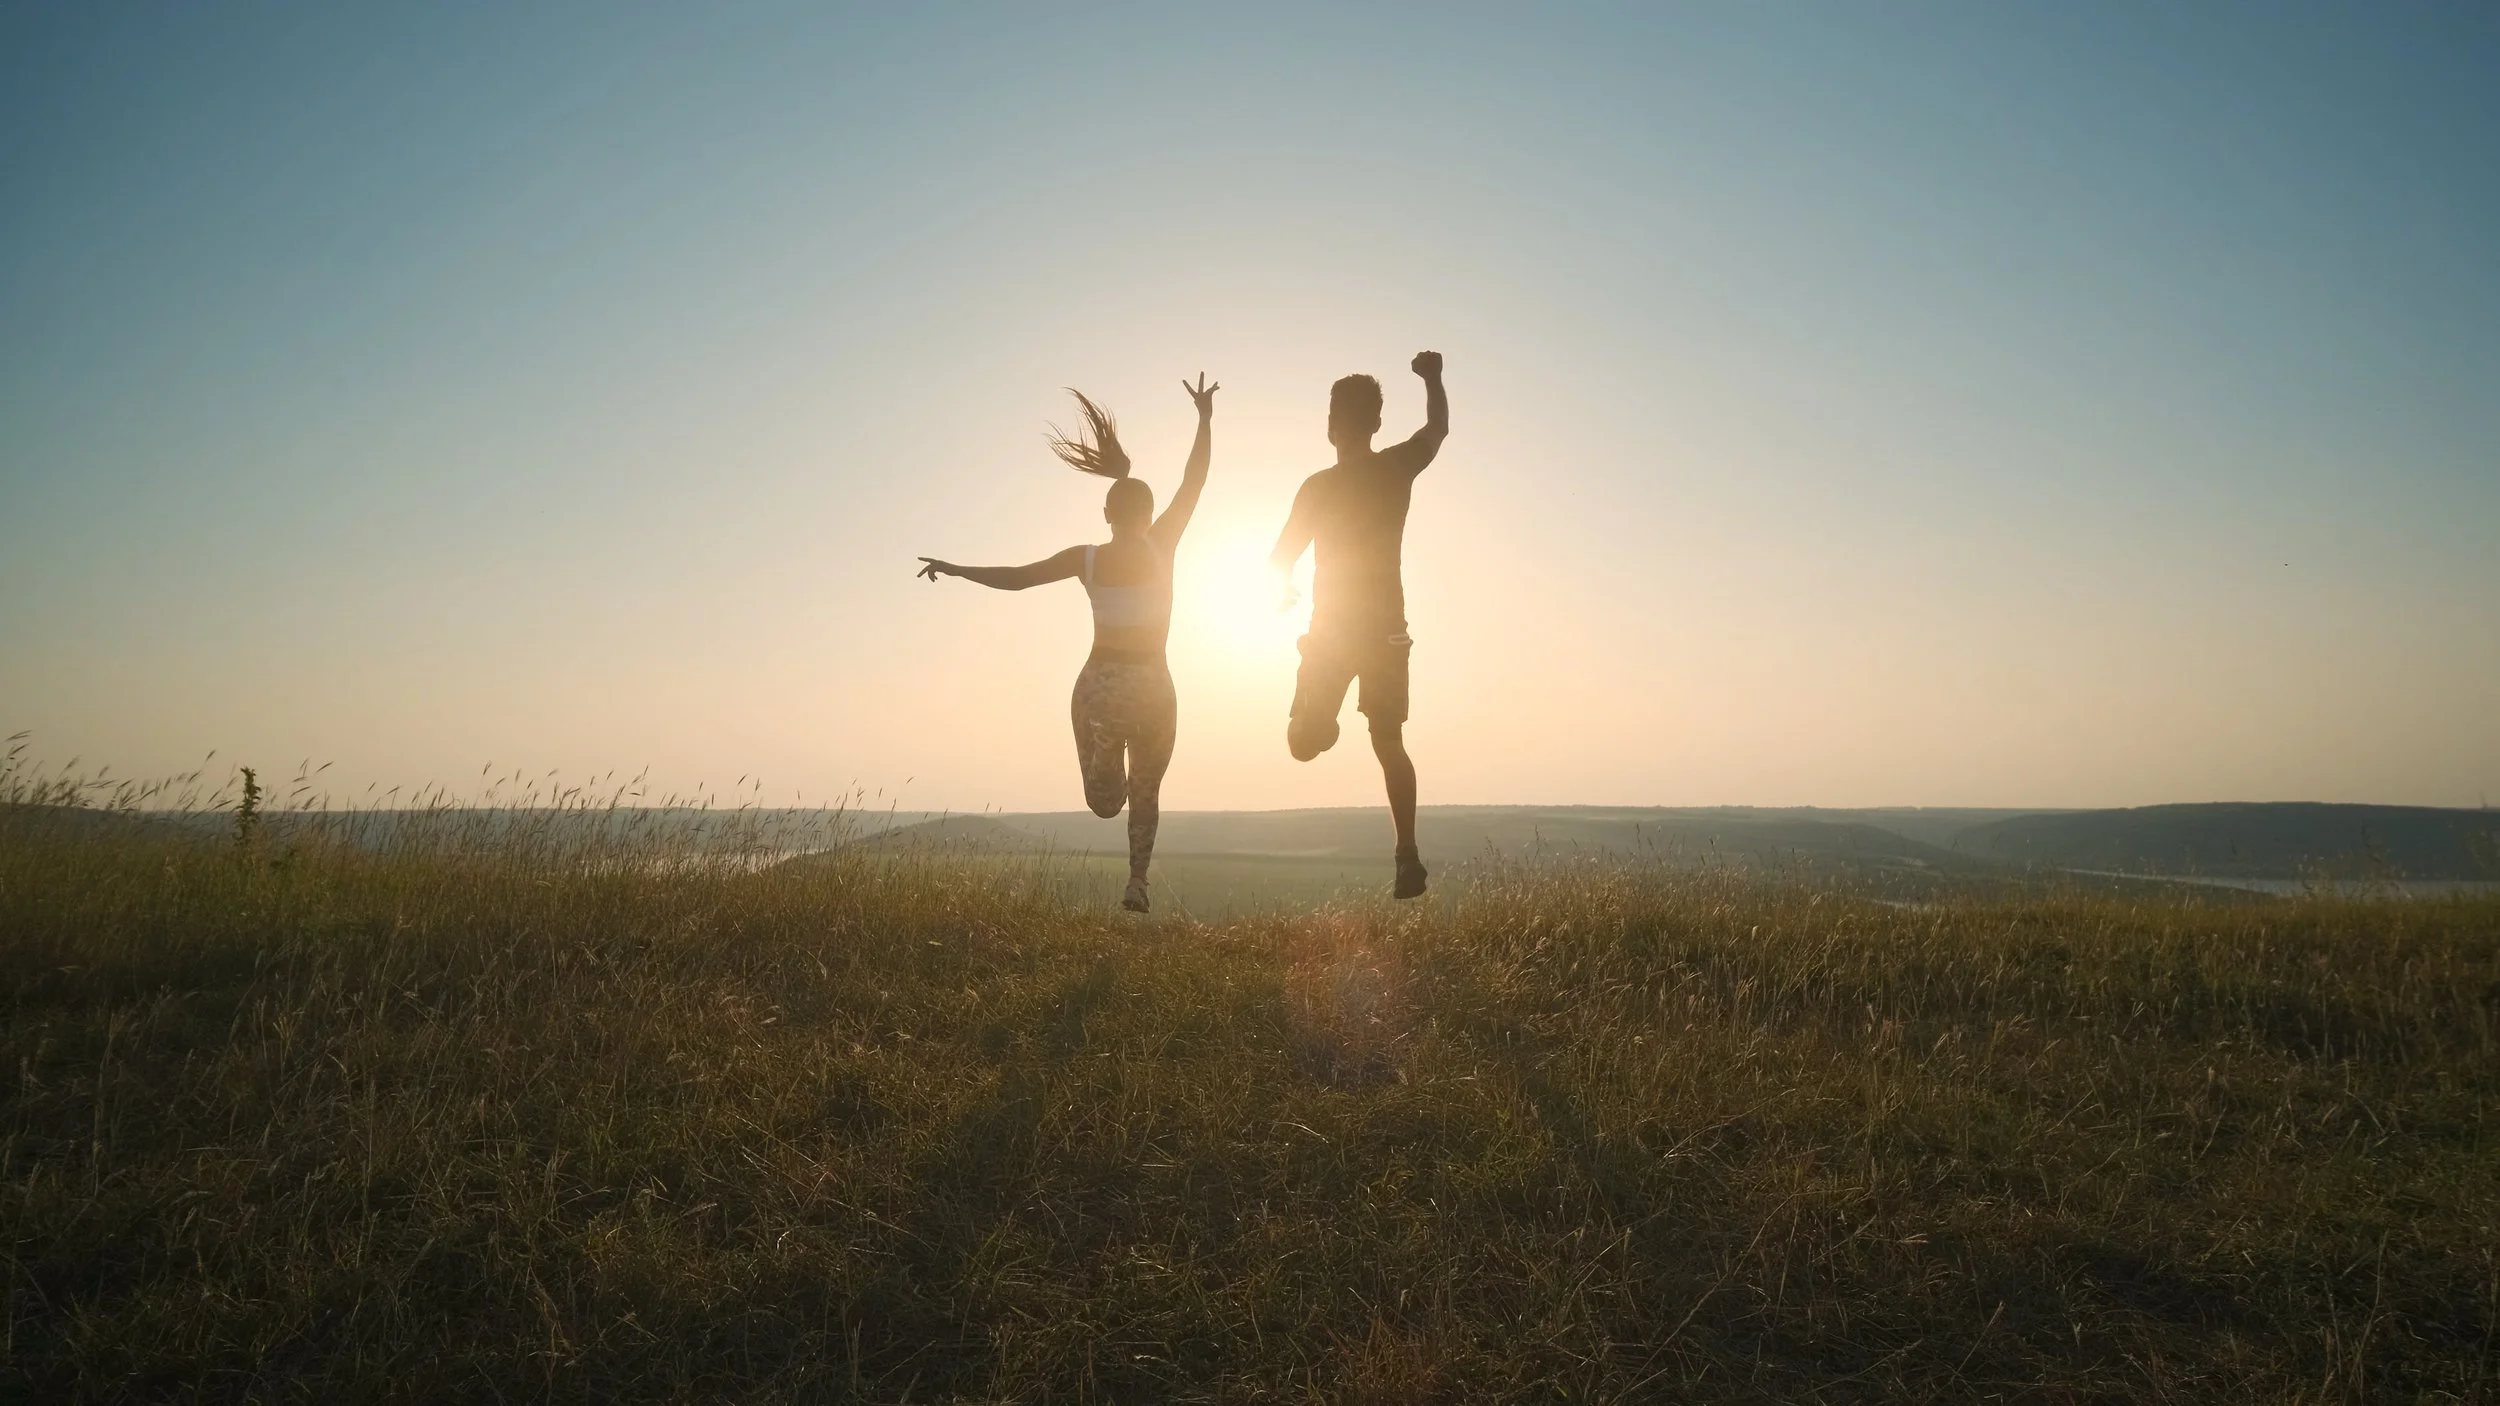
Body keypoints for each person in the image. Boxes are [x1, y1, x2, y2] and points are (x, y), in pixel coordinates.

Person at [917, 374, 1218, 912]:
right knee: (1145, 793)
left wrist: (957, 568)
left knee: (1104, 804)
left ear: (1106, 515)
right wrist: (1203, 419)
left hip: (1101, 684)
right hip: (1154, 684)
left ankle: (1106, 751)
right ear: (1148, 516)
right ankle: (1137, 882)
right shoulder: (1164, 544)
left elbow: (1018, 576)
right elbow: (1194, 484)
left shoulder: (1087, 558)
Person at [1269, 350, 1448, 899]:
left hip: (1333, 634)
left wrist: (1284, 587)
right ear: (1374, 423)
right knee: (1389, 742)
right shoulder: (1394, 467)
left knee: (1303, 745)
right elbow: (1437, 429)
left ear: (1332, 425)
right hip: (1387, 633)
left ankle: (1314, 713)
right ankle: (1407, 856)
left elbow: (1281, 555)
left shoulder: (1318, 486)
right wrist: (1434, 379)